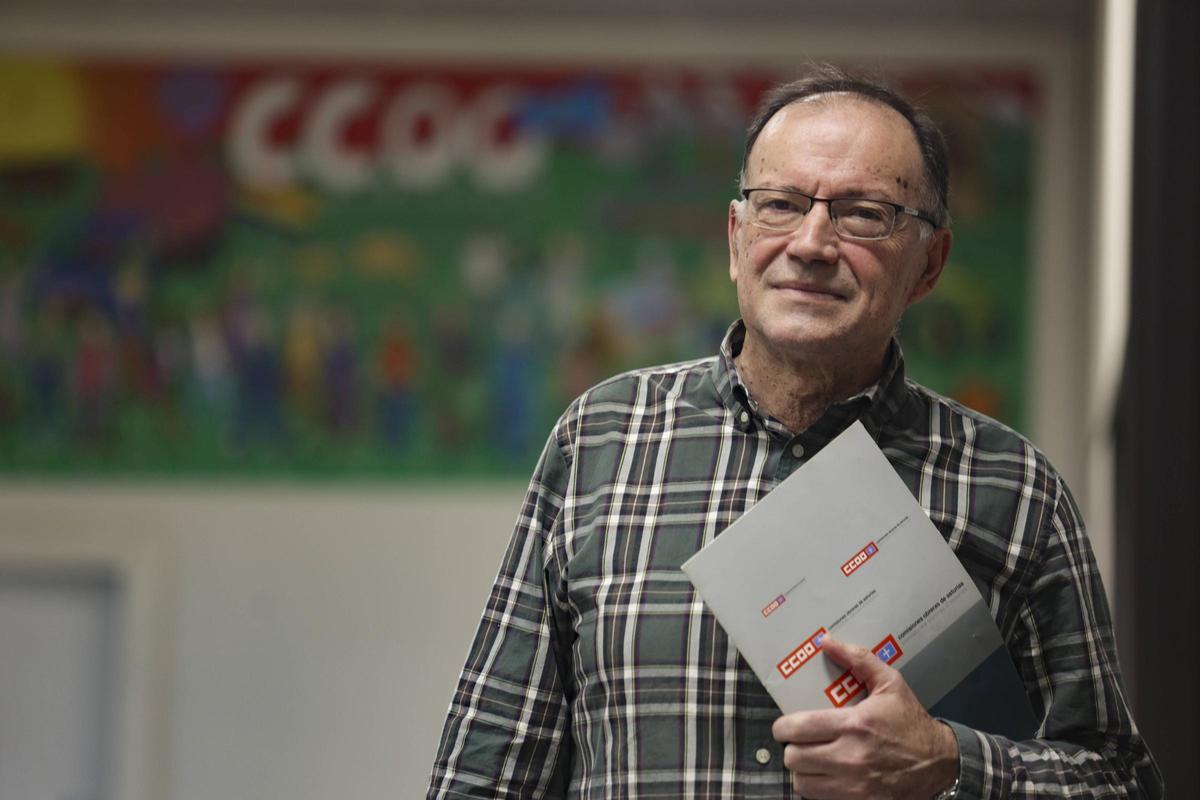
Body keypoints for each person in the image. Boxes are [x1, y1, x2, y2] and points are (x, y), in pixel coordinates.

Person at [427, 66, 1163, 799]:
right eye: (779, 204)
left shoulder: (1013, 488)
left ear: (929, 264)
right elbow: (487, 771)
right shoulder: (602, 441)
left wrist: (950, 764)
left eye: (864, 214)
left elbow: (1121, 783)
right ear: (736, 237)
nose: (811, 242)